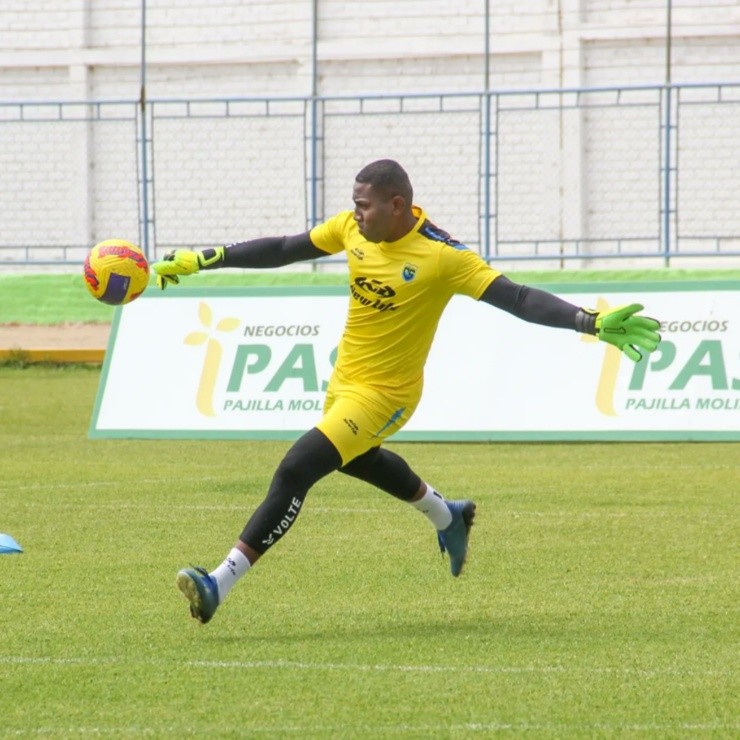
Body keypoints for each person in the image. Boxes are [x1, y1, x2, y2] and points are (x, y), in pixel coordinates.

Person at [152, 159, 661, 625]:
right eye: (354, 205)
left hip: (387, 395)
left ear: (397, 206)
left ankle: (218, 583)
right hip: (344, 384)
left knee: (297, 468)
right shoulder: (351, 229)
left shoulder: (442, 256)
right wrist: (205, 260)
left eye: (365, 205)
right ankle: (448, 514)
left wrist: (588, 321)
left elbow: (519, 298)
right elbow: (286, 249)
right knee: (356, 459)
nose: (356, 214)